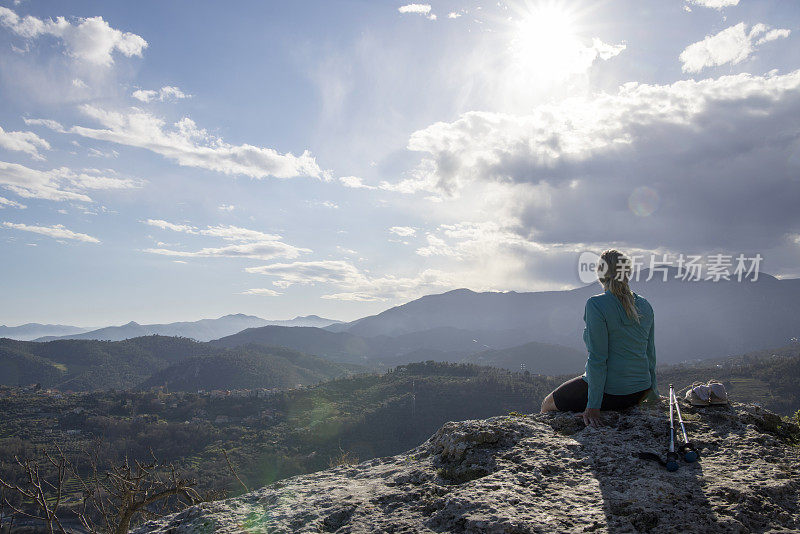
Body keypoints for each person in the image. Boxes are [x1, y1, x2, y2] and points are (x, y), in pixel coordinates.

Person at [540, 249, 660, 427]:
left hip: (610, 394)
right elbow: (650, 354)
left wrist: (593, 406)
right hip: (639, 392)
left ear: (600, 273)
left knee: (547, 404)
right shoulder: (645, 304)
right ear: (627, 272)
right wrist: (653, 393)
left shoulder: (596, 304)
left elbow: (598, 358)